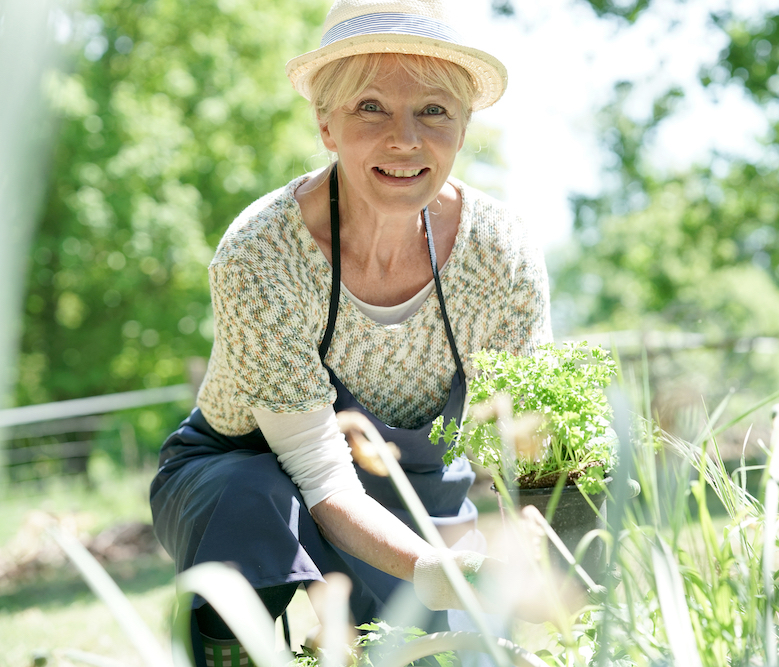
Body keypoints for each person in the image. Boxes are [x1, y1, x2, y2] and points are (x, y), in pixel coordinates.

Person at [148, 0, 552, 664]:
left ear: (463, 124)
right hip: (238, 481)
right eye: (371, 107)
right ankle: (235, 648)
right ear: (325, 123)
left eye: (434, 110)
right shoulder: (262, 252)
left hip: (413, 494)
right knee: (257, 496)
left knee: (442, 651)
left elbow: (525, 444)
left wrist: (538, 540)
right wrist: (430, 567)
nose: (406, 139)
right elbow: (320, 473)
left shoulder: (499, 254)